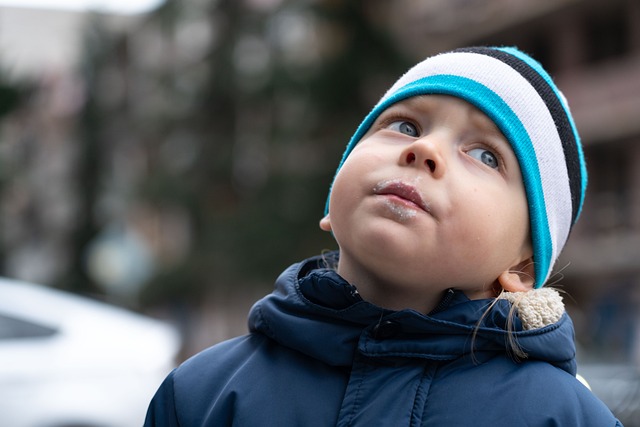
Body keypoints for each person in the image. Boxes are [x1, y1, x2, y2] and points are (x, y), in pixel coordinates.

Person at [144, 46, 622, 426]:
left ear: (519, 269)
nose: (424, 148)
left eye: (486, 155)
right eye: (405, 124)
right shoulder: (203, 394)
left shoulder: (562, 417)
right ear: (332, 205)